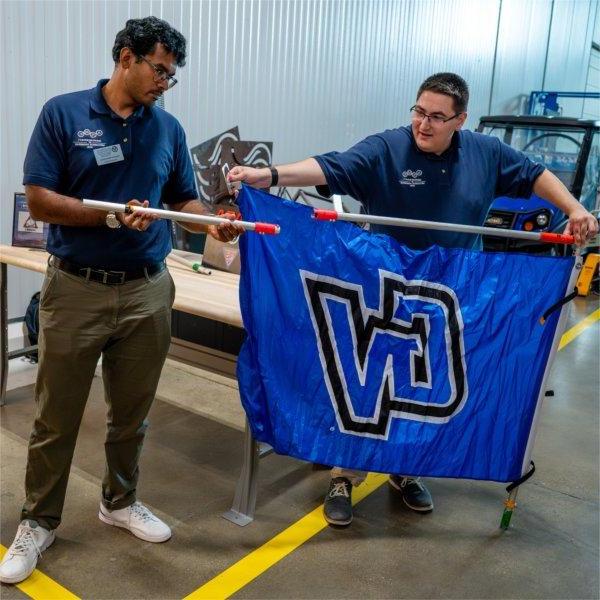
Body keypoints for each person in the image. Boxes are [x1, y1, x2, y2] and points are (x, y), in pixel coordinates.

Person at [227, 72, 599, 527]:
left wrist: (576, 207)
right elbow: (331, 166)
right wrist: (267, 175)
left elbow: (536, 174)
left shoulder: (485, 154)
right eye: (419, 112)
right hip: (384, 291)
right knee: (368, 386)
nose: (424, 124)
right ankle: (345, 474)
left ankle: (406, 471)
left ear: (460, 120)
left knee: (423, 386)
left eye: (437, 117)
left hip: (447, 295)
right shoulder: (388, 148)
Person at [0, 16, 241, 585]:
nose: (164, 82)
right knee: (56, 417)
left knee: (131, 413)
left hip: (147, 290)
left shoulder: (168, 129)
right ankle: (38, 520)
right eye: (159, 70)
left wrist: (217, 224)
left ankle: (120, 500)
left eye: (172, 76)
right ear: (126, 58)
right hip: (77, 287)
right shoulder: (64, 113)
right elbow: (39, 200)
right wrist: (108, 213)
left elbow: (184, 198)